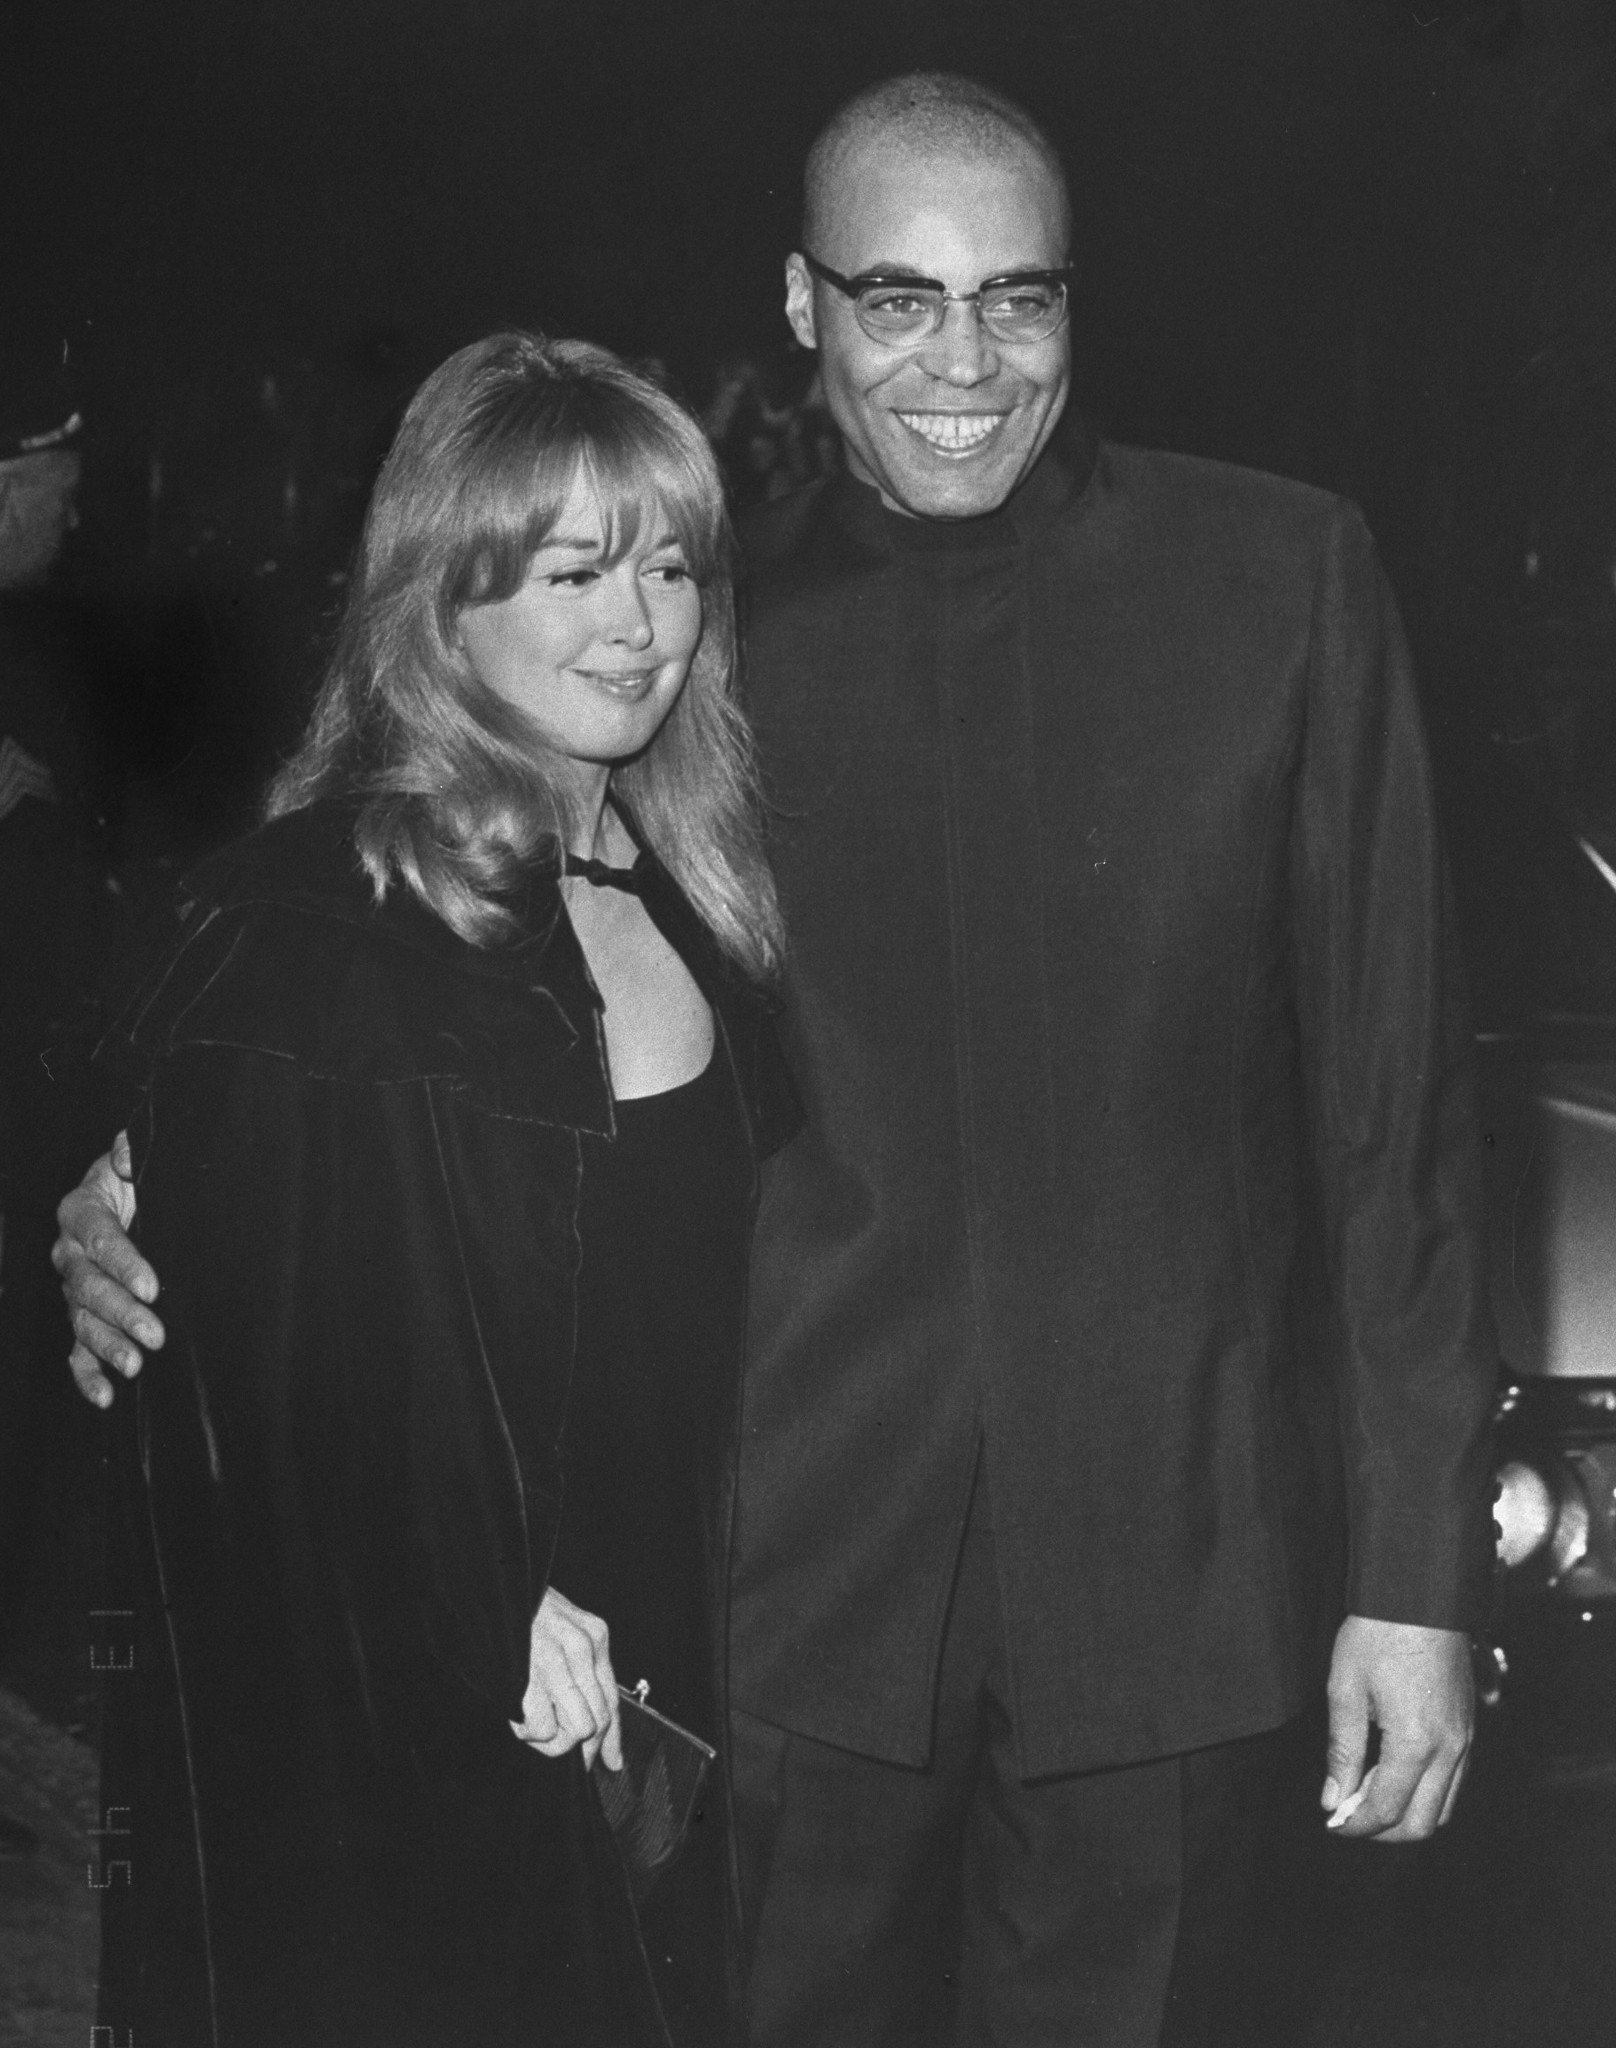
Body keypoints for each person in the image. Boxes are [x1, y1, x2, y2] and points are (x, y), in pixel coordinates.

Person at [57, 74, 1496, 2048]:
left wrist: (1414, 1575)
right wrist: (158, 1203)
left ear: (1083, 305)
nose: (966, 361)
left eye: (1023, 298)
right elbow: (409, 943)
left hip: (1180, 1587)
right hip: (765, 1596)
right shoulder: (685, 624)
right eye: (900, 298)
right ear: (804, 305)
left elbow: (1390, 1121)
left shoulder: (1284, 581)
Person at [68, 331, 797, 2048]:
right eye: (571, 572)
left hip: (695, 1662)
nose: (638, 624)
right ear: (439, 605)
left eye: (671, 566)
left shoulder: (702, 897)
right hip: (448, 1709)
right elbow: (248, 1390)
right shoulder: (309, 923)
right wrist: (473, 1603)